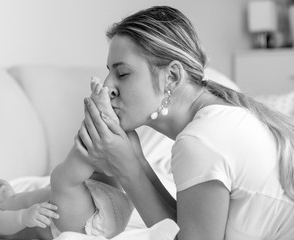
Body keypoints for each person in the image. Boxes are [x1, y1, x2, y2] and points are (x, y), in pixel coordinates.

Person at [76, 5, 294, 240]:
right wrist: (135, 159)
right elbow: (184, 229)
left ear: (172, 77)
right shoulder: (219, 119)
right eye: (109, 72)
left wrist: (126, 166)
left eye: (123, 74)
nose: (107, 86)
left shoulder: (200, 140)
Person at [0, 80, 134, 240]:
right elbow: (0, 223)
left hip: (108, 203)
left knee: (95, 173)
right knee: (60, 178)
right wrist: (24, 217)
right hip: (77, 226)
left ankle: (106, 135)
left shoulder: (19, 197)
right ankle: (95, 127)